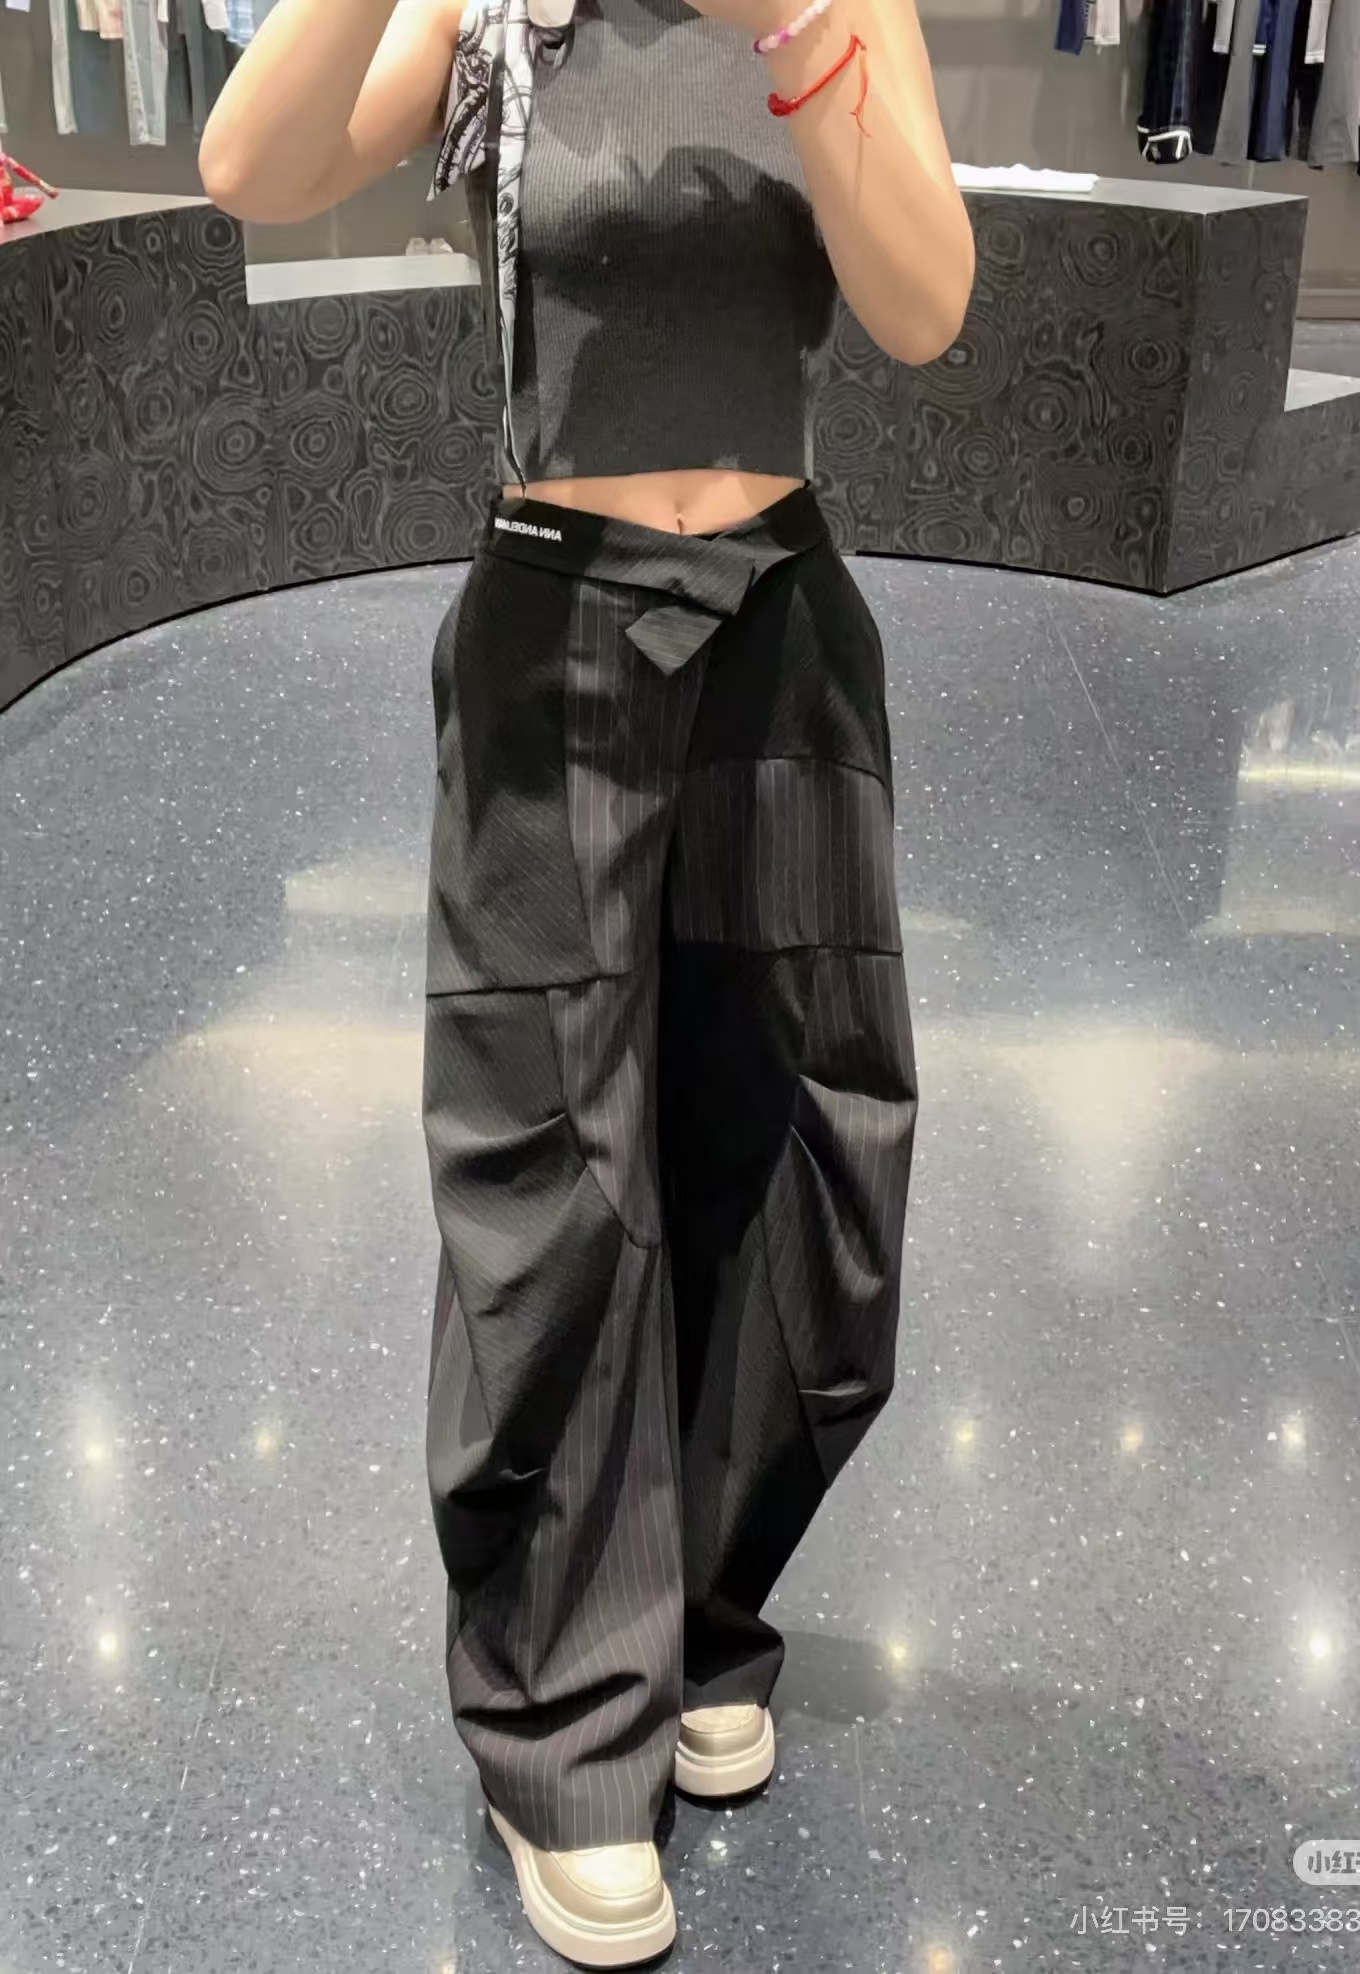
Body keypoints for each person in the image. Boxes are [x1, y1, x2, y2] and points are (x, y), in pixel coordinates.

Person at [200, 1, 972, 1962]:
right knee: (554, 1177)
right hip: (553, 629)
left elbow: (924, 304)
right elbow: (247, 167)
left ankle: (703, 1617)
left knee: (791, 1144)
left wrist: (796, 32)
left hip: (785, 627)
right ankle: (560, 1728)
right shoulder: (491, 11)